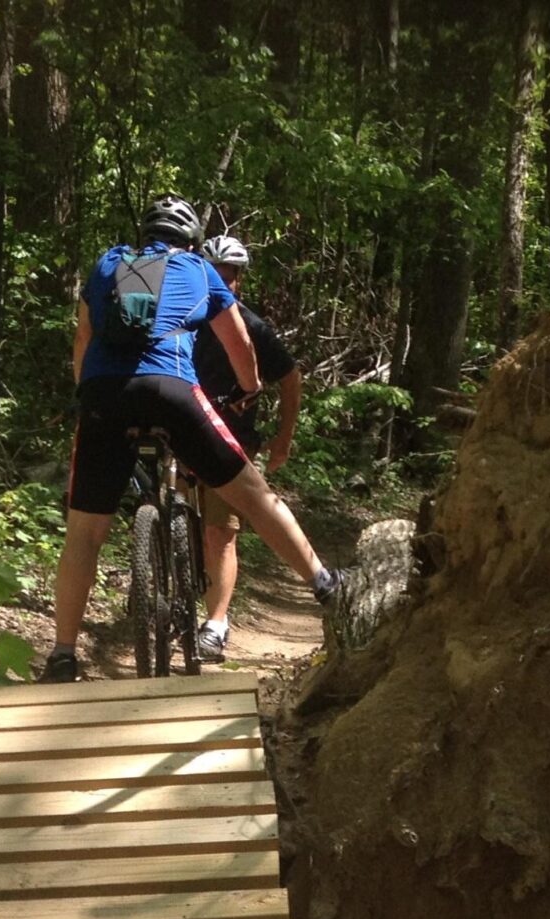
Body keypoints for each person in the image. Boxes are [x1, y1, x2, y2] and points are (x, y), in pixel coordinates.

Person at [39, 196, 340, 683]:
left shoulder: (108, 264)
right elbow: (239, 342)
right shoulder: (201, 271)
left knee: (84, 533)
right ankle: (324, 584)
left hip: (102, 396)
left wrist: (88, 398)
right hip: (172, 390)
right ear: (192, 240)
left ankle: (63, 655)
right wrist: (249, 388)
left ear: (145, 234)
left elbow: (83, 339)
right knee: (251, 490)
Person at [186, 234, 303, 664]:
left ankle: (215, 623)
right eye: (214, 273)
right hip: (178, 434)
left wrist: (283, 437)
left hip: (228, 444)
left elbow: (290, 378)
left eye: (229, 275)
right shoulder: (183, 317)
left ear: (239, 280)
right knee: (166, 513)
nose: (222, 281)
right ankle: (157, 581)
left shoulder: (252, 327)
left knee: (219, 532)